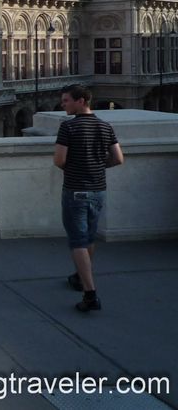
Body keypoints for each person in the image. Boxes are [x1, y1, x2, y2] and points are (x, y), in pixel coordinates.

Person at [53, 84, 123, 313]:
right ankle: (79, 276)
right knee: (88, 238)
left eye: (66, 101)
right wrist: (96, 166)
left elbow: (59, 160)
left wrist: (77, 167)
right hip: (98, 190)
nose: (63, 105)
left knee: (77, 241)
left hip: (75, 190)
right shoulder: (105, 126)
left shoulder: (68, 127)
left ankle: (90, 293)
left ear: (81, 101)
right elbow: (118, 158)